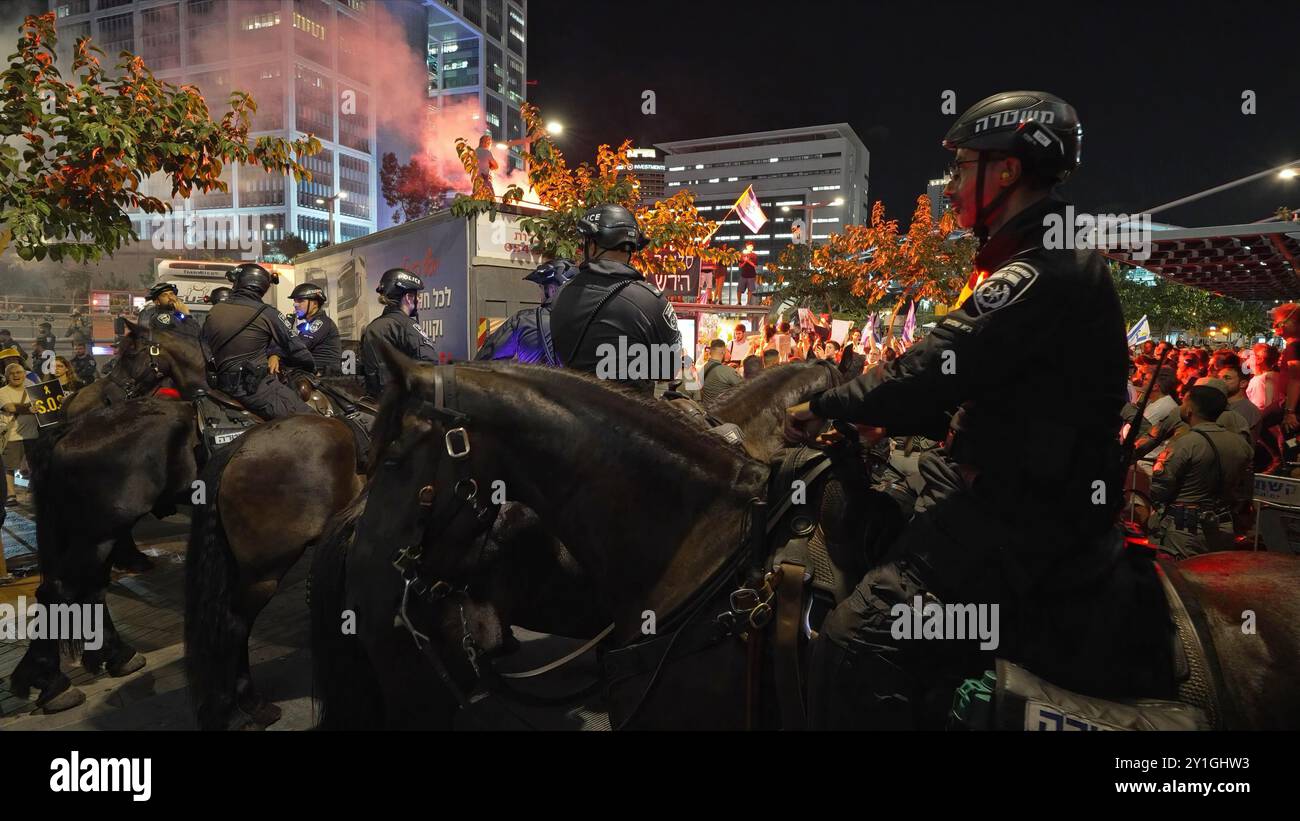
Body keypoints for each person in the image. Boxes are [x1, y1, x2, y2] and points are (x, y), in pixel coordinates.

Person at [786, 90, 1173, 729]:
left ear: (1009, 172)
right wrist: (893, 418)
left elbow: (930, 366)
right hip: (1011, 490)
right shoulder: (1043, 255)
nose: (955, 182)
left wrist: (819, 402)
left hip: (1027, 518)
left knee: (854, 640)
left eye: (963, 167)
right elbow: (995, 393)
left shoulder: (1043, 267)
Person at [549, 204, 681, 394]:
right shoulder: (651, 301)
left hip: (568, 414)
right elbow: (669, 368)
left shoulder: (561, 294)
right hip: (631, 419)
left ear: (592, 245)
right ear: (630, 250)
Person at [1148, 385, 1253, 558]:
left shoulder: (1186, 444)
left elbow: (1161, 487)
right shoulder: (1241, 445)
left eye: (1183, 402)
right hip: (1223, 525)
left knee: (1180, 578)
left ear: (1190, 409)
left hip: (1185, 529)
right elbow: (1244, 486)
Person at [201, 263, 314, 419]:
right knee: (313, 421)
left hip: (218, 385)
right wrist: (311, 366)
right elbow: (296, 348)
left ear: (239, 283)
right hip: (253, 389)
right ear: (262, 287)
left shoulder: (215, 310)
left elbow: (204, 347)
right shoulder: (267, 313)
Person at [475, 259, 578, 366]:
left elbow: (484, 361)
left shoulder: (523, 321)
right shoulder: (587, 323)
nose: (540, 295)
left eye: (541, 288)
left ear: (552, 291)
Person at [360, 267, 439, 398]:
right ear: (408, 298)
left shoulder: (372, 327)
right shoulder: (406, 325)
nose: (418, 299)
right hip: (403, 405)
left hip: (376, 403)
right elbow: (430, 365)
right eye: (416, 296)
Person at [285, 282, 342, 375]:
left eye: (300, 301)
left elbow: (298, 347)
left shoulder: (321, 322)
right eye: (295, 301)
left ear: (315, 304)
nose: (295, 305)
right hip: (311, 374)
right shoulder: (308, 324)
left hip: (323, 378)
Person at [1, 362, 38, 505]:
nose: (16, 375)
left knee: (34, 465)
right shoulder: (2, 391)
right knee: (9, 466)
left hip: (33, 434)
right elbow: (9, 407)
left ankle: (32, 490)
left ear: (24, 374)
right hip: (12, 434)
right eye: (12, 373)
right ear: (7, 376)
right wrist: (30, 408)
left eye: (19, 372)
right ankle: (11, 494)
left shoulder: (33, 390)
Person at [1216, 353, 1261, 446]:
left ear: (1243, 383)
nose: (1220, 381)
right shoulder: (1221, 403)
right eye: (1219, 378)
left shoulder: (1248, 410)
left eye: (1227, 378)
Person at [699, 339, 742, 403]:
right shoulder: (728, 371)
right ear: (723, 352)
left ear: (710, 352)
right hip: (722, 410)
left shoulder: (702, 368)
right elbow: (744, 388)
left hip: (706, 409)